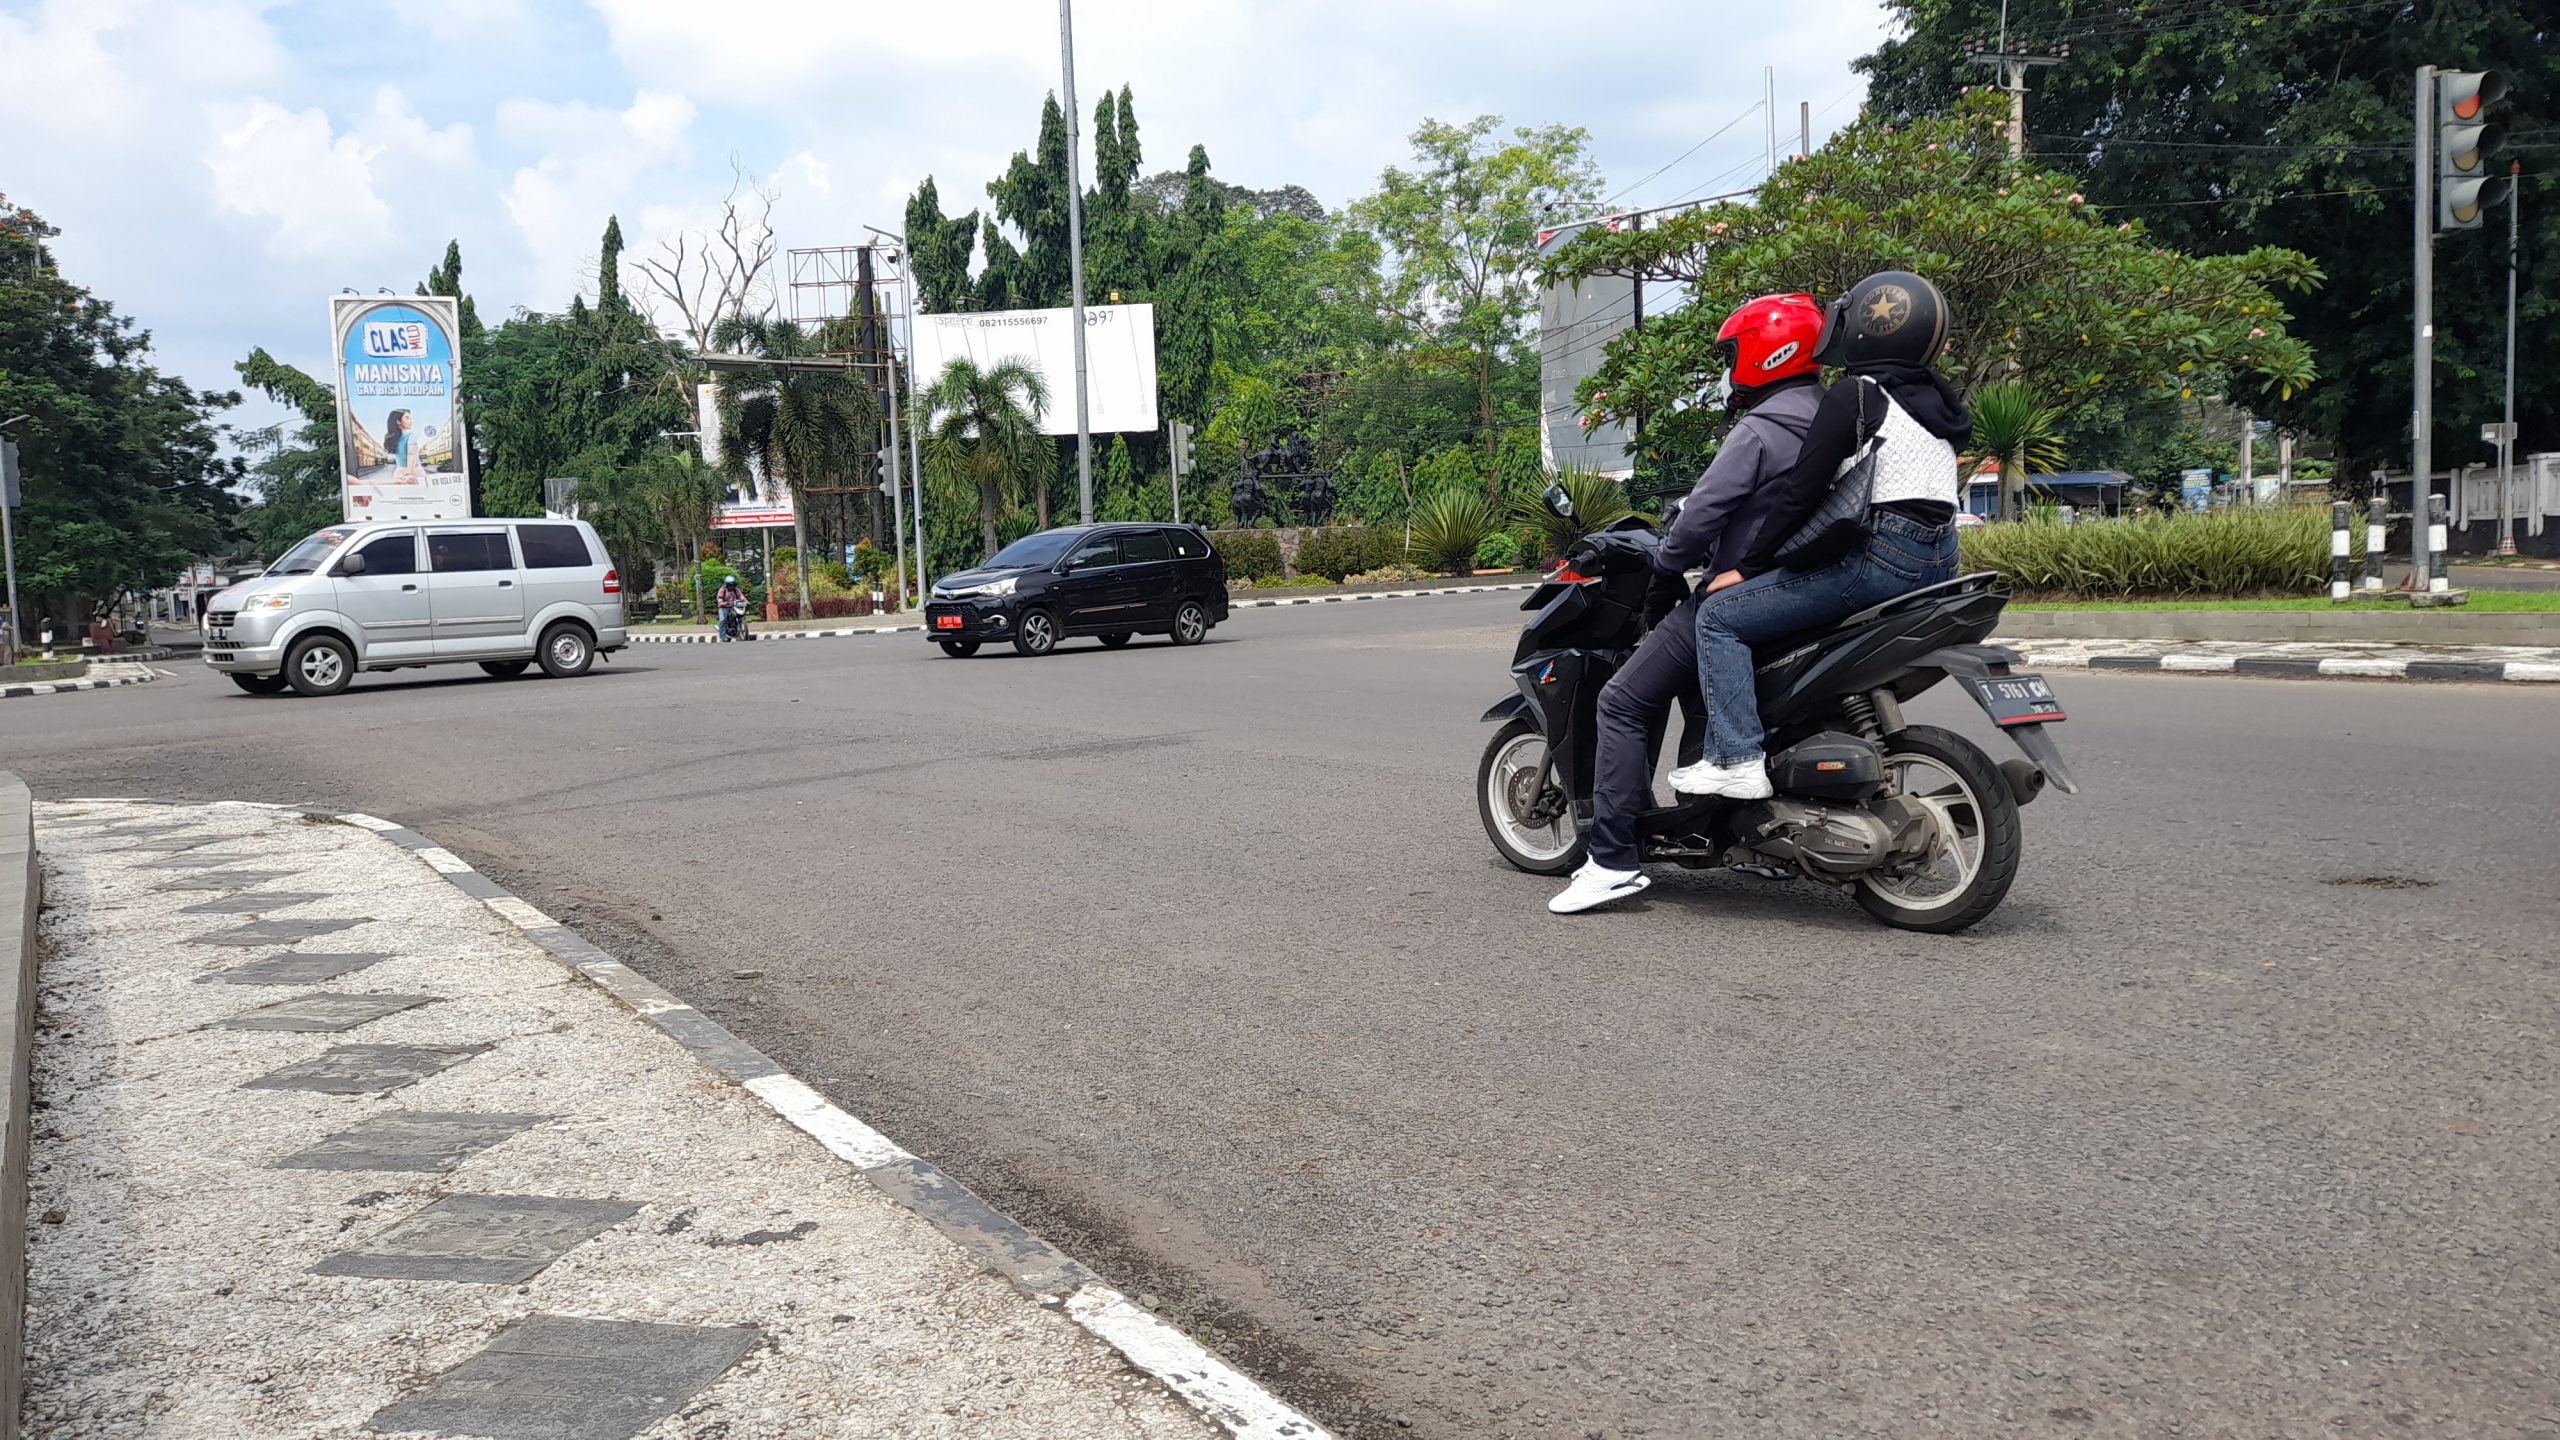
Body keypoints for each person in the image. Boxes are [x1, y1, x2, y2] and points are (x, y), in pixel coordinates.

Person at [1548, 292, 1829, 915]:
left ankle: (1612, 860)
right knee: (1706, 698)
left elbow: (1703, 511)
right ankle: (1742, 838)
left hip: (1738, 590)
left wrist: (1669, 563)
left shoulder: (1761, 428)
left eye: (1733, 353)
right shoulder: (1837, 418)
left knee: (1620, 701)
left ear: (1765, 352)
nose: (1730, 368)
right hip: (1810, 590)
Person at [1664, 271, 1970, 802]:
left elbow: (1800, 493)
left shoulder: (1856, 394)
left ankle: (1736, 759)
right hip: (1942, 559)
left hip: (1881, 558)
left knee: (1719, 616)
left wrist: (1750, 566)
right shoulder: (1938, 404)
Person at [715, 575, 747, 641]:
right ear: (726, 584)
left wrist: (744, 601)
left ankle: (736, 627)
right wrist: (724, 603)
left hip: (733, 606)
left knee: (739, 614)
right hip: (723, 607)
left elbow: (740, 596)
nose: (731, 586)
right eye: (730, 585)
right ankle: (722, 635)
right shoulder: (722, 590)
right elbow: (719, 598)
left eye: (732, 584)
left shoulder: (736, 589)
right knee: (723, 620)